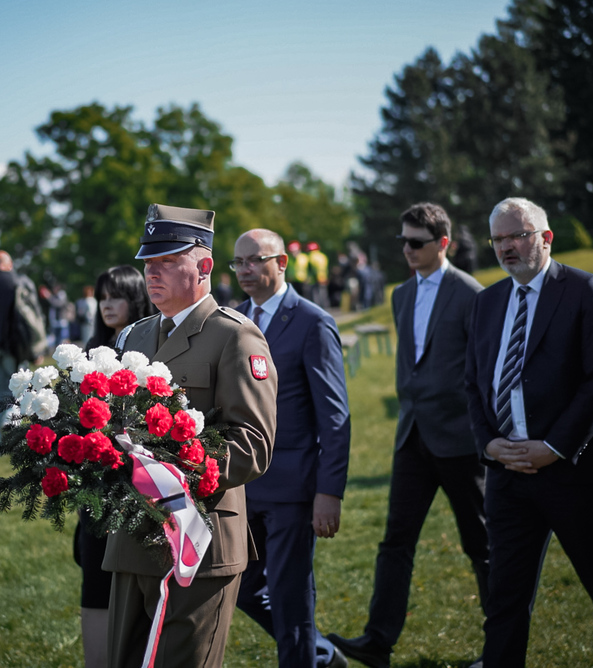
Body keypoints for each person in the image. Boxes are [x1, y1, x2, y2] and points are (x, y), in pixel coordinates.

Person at [464, 197, 593, 668]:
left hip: (575, 472)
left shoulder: (586, 290)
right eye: (499, 238)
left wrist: (554, 447)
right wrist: (489, 442)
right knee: (504, 602)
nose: (507, 247)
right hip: (507, 475)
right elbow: (472, 383)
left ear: (545, 237)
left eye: (518, 235)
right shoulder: (487, 301)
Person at [102, 203, 277, 668]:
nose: (151, 274)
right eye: (148, 264)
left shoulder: (235, 337)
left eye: (166, 263)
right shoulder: (134, 338)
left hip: (199, 542)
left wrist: (167, 467)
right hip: (132, 541)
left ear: (203, 266)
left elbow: (253, 446)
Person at [327, 203, 488, 668]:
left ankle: (500, 645)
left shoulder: (471, 294)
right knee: (395, 541)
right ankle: (378, 641)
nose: (406, 250)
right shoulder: (400, 294)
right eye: (403, 241)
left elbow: (480, 371)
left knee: (481, 545)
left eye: (416, 242)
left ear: (443, 244)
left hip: (460, 439)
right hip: (412, 436)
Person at [232, 229, 350, 668]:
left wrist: (329, 491)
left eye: (254, 260)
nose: (244, 270)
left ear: (281, 263)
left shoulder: (313, 322)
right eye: (237, 262)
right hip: (242, 485)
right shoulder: (234, 320)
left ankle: (304, 652)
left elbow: (335, 416)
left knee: (290, 596)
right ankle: (319, 652)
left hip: (294, 488)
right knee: (239, 586)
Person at [74, 265, 155, 668]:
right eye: (102, 296)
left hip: (139, 490)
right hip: (96, 493)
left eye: (116, 296)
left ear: (136, 299)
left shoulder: (150, 349)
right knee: (95, 583)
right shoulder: (89, 350)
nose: (107, 304)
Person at [0, 250, 46, 439]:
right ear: (9, 264)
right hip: (14, 347)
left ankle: (3, 441)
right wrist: (36, 348)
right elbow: (33, 316)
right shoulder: (19, 281)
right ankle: (11, 427)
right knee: (17, 391)